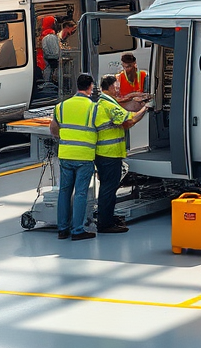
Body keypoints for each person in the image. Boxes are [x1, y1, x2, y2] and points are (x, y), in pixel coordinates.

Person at [93, 74, 149, 234]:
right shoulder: (109, 106)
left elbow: (122, 121)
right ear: (110, 87)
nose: (118, 90)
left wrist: (134, 100)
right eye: (116, 87)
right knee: (109, 189)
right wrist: (146, 108)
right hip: (109, 154)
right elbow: (129, 121)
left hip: (104, 154)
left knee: (107, 188)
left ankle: (107, 218)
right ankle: (105, 224)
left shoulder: (104, 103)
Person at [50, 73, 99, 241]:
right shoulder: (93, 107)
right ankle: (77, 230)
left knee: (64, 192)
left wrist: (64, 139)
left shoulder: (61, 106)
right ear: (90, 87)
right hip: (84, 156)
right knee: (80, 193)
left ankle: (62, 229)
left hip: (65, 154)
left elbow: (53, 129)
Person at [39, 16, 60, 91]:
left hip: (46, 69)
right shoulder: (50, 37)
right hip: (51, 72)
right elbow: (55, 55)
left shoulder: (45, 36)